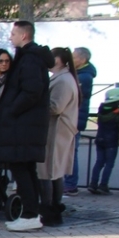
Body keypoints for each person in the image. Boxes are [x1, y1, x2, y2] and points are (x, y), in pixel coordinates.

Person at [0, 21, 52, 232]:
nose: (11, 37)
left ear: (24, 35)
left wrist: (11, 110)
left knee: (22, 169)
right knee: (26, 169)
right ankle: (32, 212)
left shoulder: (30, 60)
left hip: (23, 126)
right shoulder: (28, 58)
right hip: (25, 126)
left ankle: (30, 213)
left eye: (14, 33)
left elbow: (31, 91)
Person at [37, 46, 78, 227]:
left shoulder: (63, 80)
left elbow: (56, 107)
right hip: (59, 130)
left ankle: (49, 210)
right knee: (54, 172)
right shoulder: (64, 78)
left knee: (48, 172)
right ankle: (52, 207)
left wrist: (36, 104)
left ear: (59, 60)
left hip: (56, 130)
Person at [66, 47, 96, 195]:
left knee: (71, 151)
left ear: (82, 60)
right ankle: (68, 182)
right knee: (68, 151)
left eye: (74, 57)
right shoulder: (79, 74)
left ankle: (71, 184)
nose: (71, 60)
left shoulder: (83, 77)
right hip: (74, 117)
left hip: (75, 118)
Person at [89, 85, 119, 194]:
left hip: (100, 138)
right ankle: (103, 185)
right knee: (109, 164)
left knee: (99, 162)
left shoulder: (101, 109)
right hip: (111, 141)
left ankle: (93, 184)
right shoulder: (118, 113)